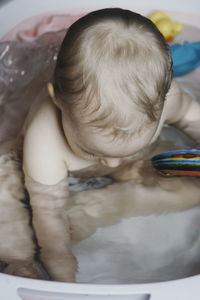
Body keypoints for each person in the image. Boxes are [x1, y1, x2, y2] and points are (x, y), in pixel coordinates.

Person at [1, 8, 200, 282]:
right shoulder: (44, 141)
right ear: (58, 102)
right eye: (91, 151)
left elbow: (193, 118)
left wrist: (126, 155)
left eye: (126, 150)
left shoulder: (166, 99)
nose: (111, 163)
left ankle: (99, 207)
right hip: (30, 167)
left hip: (138, 162)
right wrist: (61, 268)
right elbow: (48, 216)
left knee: (192, 188)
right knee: (3, 191)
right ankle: (18, 260)